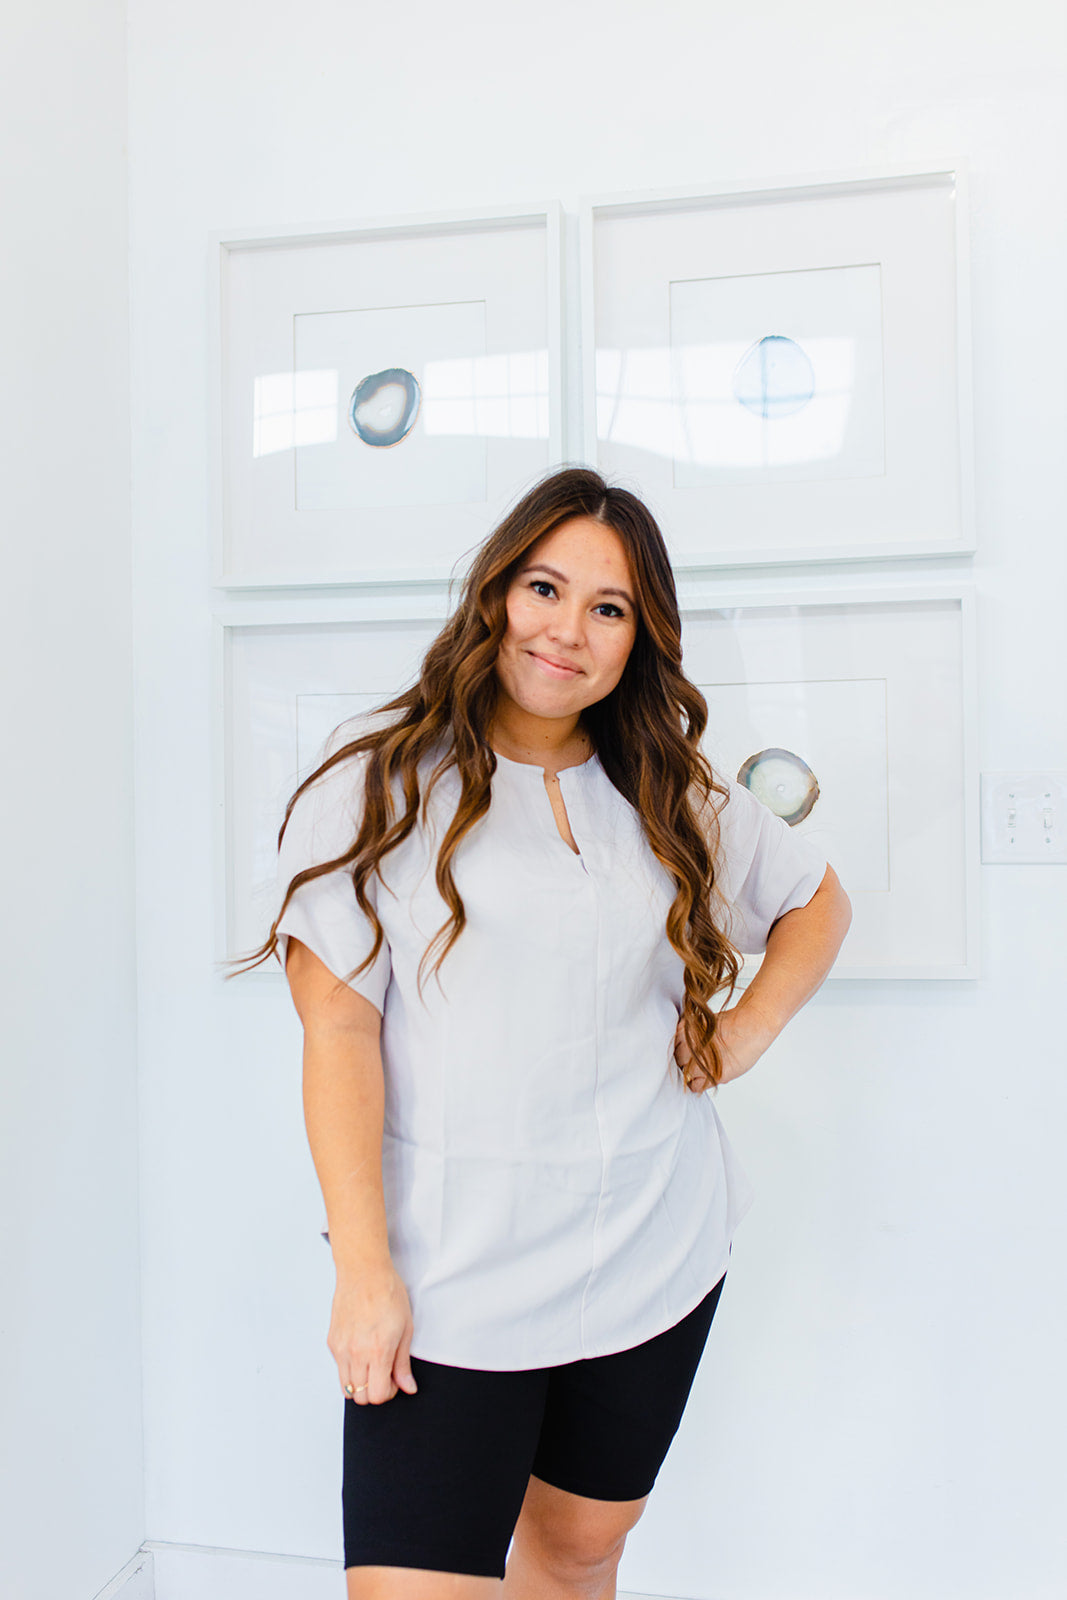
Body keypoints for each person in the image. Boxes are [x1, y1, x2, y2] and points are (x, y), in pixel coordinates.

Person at [233, 465, 852, 1600]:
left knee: (575, 1558)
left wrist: (744, 1030)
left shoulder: (669, 793)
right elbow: (336, 1033)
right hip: (449, 1281)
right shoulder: (374, 788)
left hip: (651, 1257)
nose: (567, 630)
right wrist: (363, 1270)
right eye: (543, 588)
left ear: (636, 638)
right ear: (493, 596)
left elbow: (816, 899)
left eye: (607, 608)